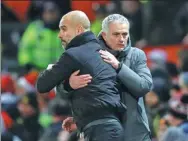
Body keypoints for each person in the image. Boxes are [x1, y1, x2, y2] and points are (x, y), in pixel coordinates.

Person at [36, 10, 126, 141]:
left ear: (78, 30)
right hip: (112, 128)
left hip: (101, 132)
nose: (60, 35)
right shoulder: (106, 53)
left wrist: (61, 79)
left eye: (64, 29)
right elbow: (99, 94)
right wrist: (80, 118)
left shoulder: (73, 55)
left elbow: (42, 84)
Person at [63, 14, 153, 141]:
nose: (122, 39)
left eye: (124, 34)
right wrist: (69, 84)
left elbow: (144, 86)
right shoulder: (89, 56)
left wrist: (118, 66)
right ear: (104, 35)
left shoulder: (136, 55)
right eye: (116, 34)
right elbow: (63, 90)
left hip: (136, 134)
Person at [18, 1, 63, 71]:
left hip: (60, 71)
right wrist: (27, 64)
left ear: (58, 13)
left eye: (53, 12)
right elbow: (24, 48)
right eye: (47, 12)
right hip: (36, 71)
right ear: (43, 14)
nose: (50, 15)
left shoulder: (66, 29)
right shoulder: (35, 28)